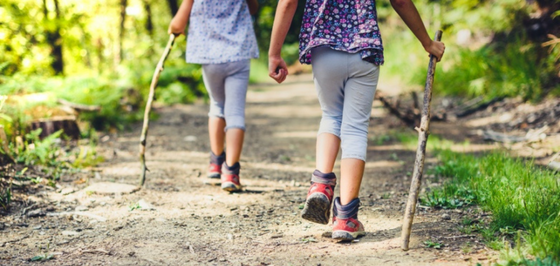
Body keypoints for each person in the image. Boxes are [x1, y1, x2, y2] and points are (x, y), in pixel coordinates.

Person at [268, 0, 445, 240]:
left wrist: (274, 53)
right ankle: (345, 218)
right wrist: (428, 43)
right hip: (364, 50)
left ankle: (320, 185)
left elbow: (288, 2)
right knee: (355, 129)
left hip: (324, 49)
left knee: (331, 115)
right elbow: (400, 2)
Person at [169, 0, 259, 192]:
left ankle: (215, 164)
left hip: (210, 56)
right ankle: (231, 172)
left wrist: (176, 28)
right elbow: (253, 8)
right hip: (238, 53)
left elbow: (177, 24)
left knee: (217, 105)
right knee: (235, 112)